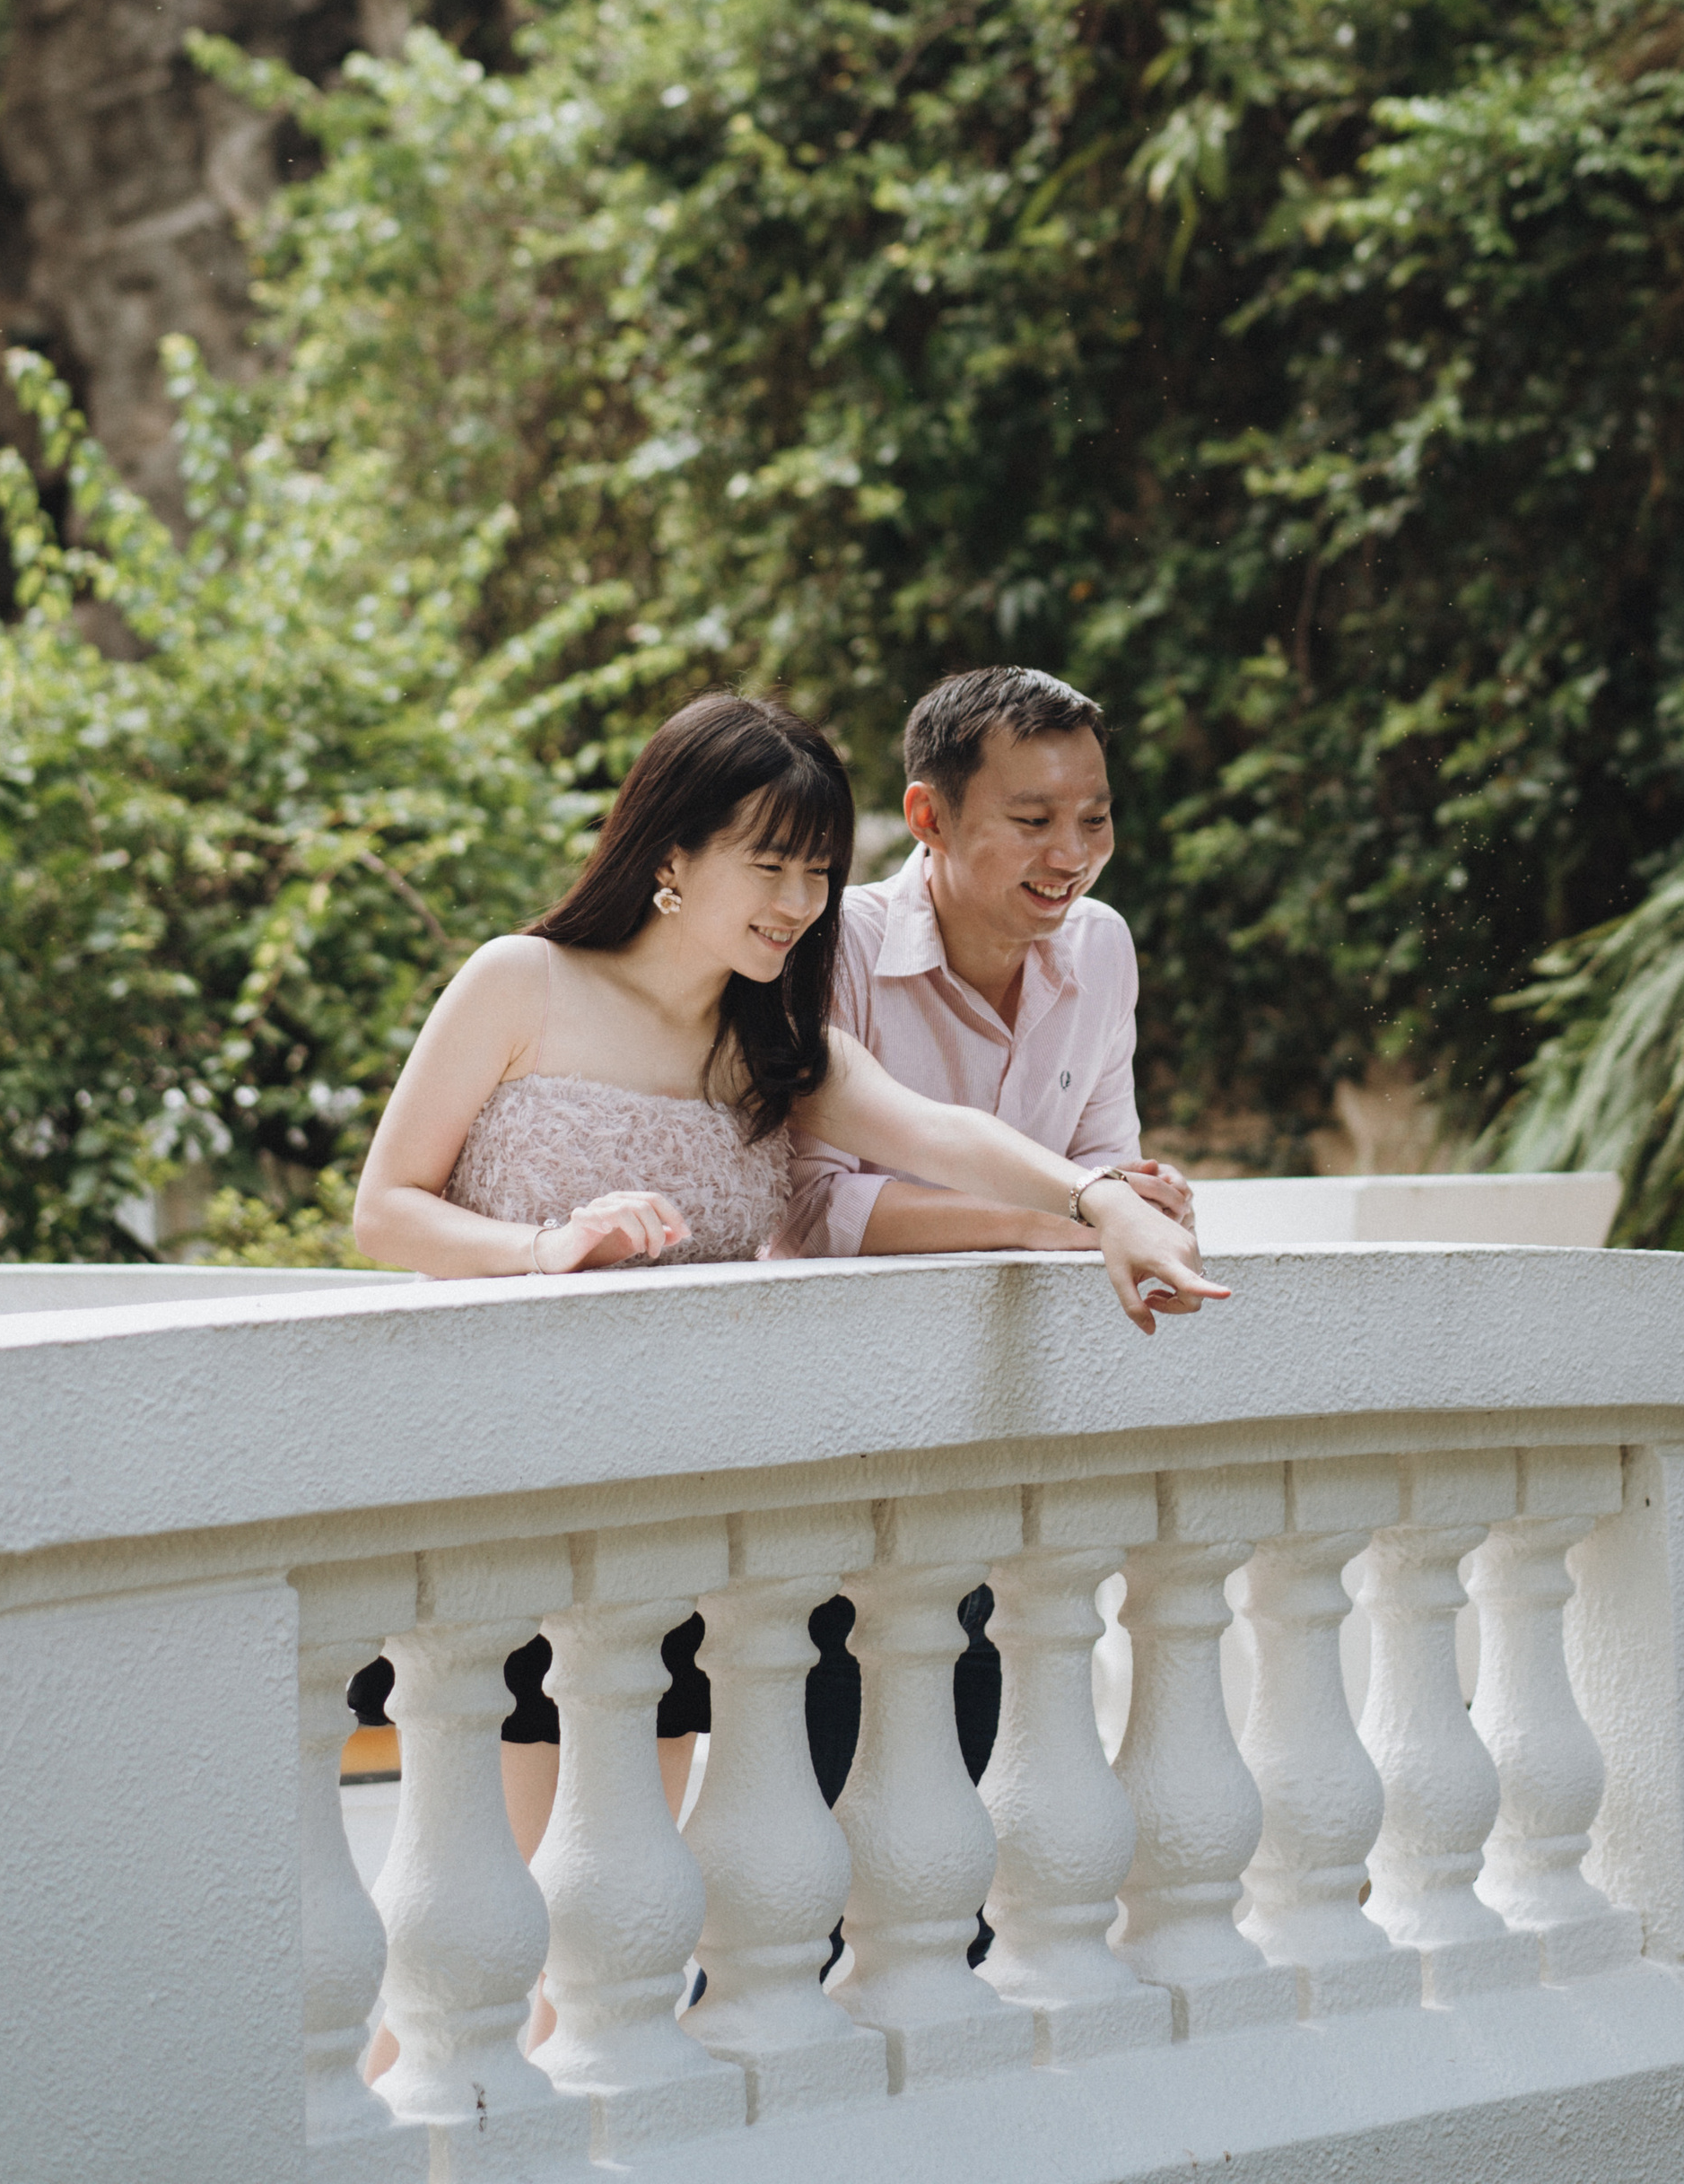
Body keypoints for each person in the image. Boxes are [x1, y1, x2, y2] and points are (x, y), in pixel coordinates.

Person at [349, 686, 1226, 1890]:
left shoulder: (775, 1041)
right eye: (770, 867)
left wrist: (1099, 1202)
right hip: (508, 1478)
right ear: (670, 855)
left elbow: (937, 1132)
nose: (800, 905)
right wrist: (546, 1250)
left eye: (817, 873)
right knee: (487, 1896)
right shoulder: (522, 981)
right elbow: (384, 1208)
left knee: (616, 1897)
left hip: (670, 1501)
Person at [773, 663, 1183, 1804]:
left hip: (1003, 1420)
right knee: (827, 1774)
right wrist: (1055, 1216)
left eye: (1093, 817)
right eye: (1032, 820)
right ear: (928, 816)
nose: (1072, 852)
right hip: (838, 1432)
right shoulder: (834, 945)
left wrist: (1137, 1197)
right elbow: (808, 1206)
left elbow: (1101, 1155)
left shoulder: (1100, 946)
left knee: (977, 1773)